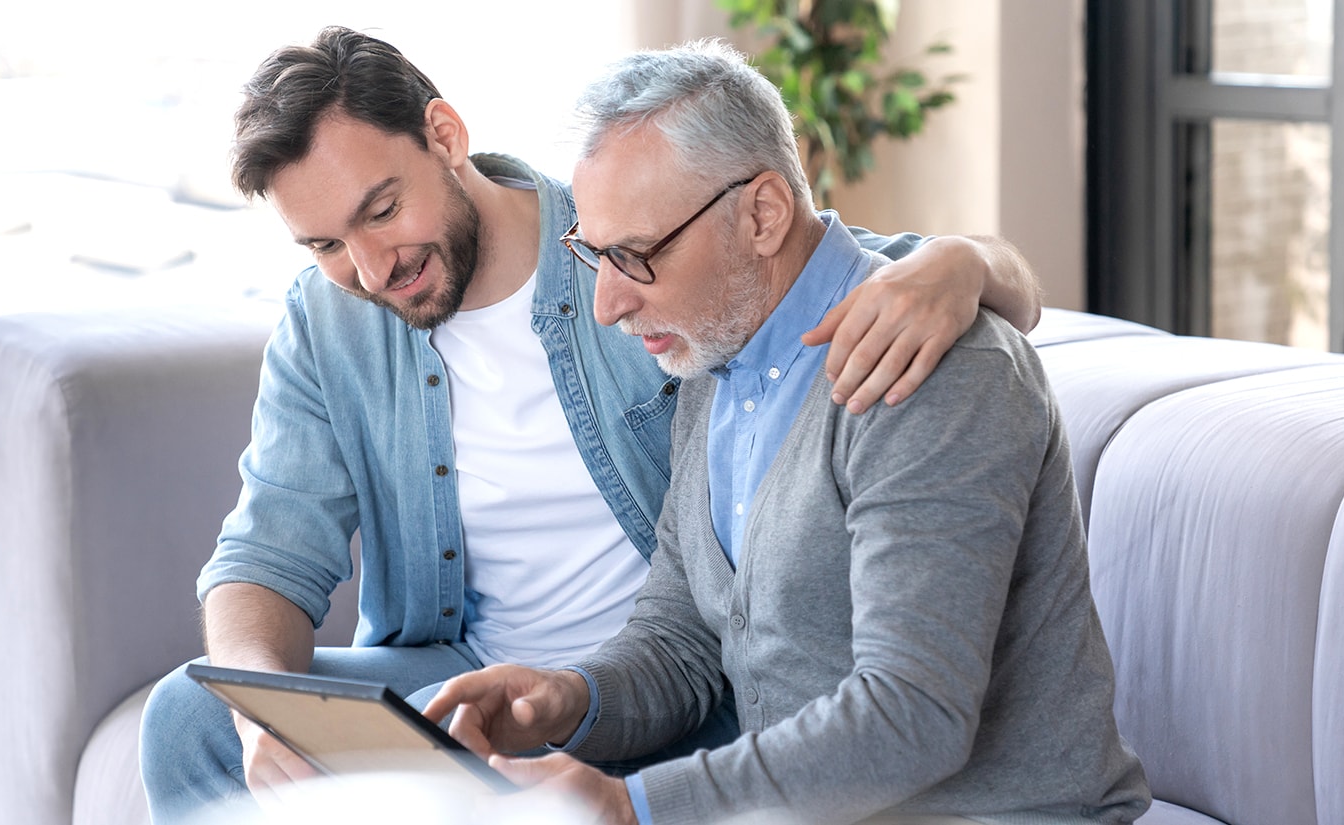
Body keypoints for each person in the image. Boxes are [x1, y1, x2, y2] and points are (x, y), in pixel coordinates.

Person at [137, 27, 1043, 823]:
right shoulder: (340, 320)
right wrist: (271, 714)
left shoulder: (647, 251)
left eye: (380, 211)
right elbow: (266, 551)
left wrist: (970, 261)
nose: (371, 269)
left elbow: (830, 263)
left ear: (445, 136)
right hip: (521, 688)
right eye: (327, 245)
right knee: (189, 718)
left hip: (694, 703)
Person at [424, 40, 1151, 825]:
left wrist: (634, 805)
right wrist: (565, 697)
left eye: (633, 257)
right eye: (595, 255)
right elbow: (682, 641)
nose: (607, 305)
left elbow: (913, 715)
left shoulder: (929, 368)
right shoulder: (711, 355)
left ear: (763, 214)